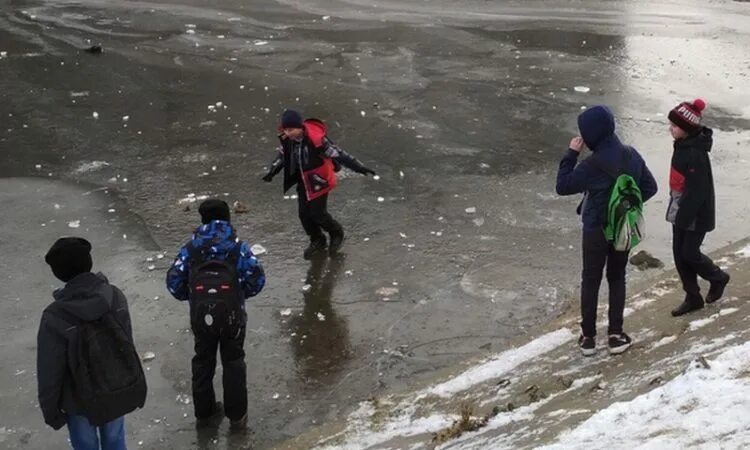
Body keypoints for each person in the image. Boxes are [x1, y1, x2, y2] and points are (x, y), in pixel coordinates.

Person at [556, 105, 658, 356]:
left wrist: (571, 154)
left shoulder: (591, 165)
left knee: (590, 279)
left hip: (595, 230)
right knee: (617, 277)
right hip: (623, 228)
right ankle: (616, 335)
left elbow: (563, 185)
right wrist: (626, 208)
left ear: (591, 135)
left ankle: (588, 338)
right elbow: (650, 187)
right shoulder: (631, 155)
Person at [166, 199, 265, 430]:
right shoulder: (237, 246)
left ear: (202, 220)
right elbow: (257, 278)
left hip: (201, 316)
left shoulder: (190, 248)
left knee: (202, 361)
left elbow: (173, 281)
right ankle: (237, 416)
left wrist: (193, 297)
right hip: (233, 316)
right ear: (227, 218)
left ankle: (205, 412)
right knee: (233, 362)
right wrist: (239, 295)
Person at [39, 237, 144, 450]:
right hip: (115, 386)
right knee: (115, 440)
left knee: (85, 444)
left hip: (78, 400)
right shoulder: (114, 297)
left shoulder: (55, 315)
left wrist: (51, 411)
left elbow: (50, 368)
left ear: (58, 273)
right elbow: (126, 342)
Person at [262, 109, 377, 259]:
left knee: (318, 213)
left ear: (300, 127)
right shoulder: (288, 141)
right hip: (303, 180)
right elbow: (283, 156)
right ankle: (317, 239)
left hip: (319, 181)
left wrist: (358, 167)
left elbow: (339, 154)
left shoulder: (317, 140)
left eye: (291, 129)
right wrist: (273, 171)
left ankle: (336, 233)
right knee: (303, 214)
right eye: (285, 130)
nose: (288, 133)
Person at [665, 99, 730, 316]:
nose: (670, 129)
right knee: (679, 254)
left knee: (689, 253)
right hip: (680, 208)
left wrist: (683, 216)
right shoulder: (684, 145)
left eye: (674, 126)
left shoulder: (694, 153)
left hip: (694, 213)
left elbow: (697, 191)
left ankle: (717, 277)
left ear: (686, 128)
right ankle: (692, 296)